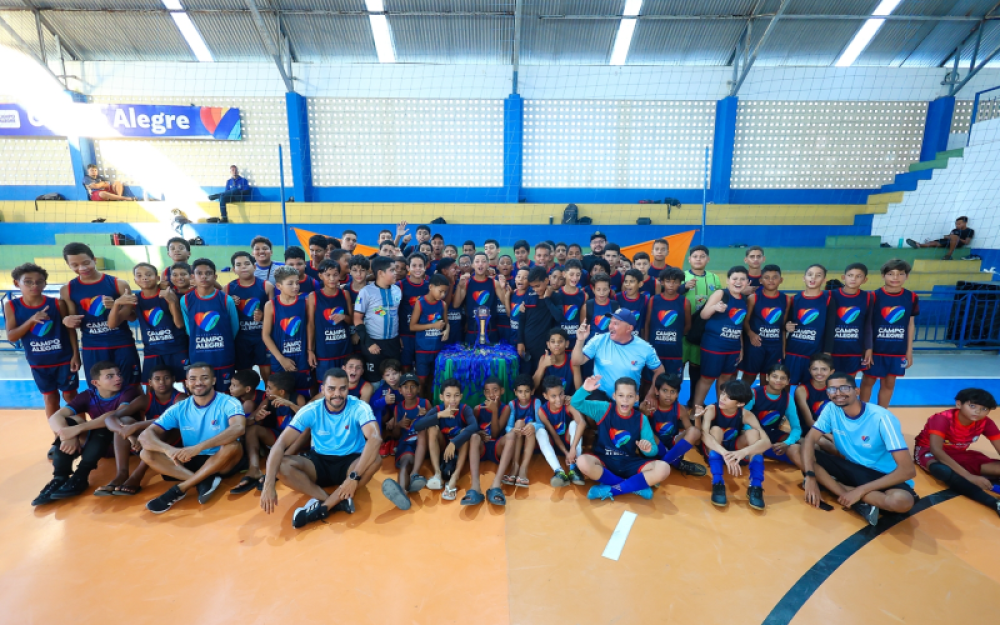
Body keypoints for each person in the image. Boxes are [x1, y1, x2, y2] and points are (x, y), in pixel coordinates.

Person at [261, 367, 403, 526]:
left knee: (375, 459)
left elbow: (375, 439)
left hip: (351, 463)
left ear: (348, 389)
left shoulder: (359, 407)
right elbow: (280, 444)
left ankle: (325, 506)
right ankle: (337, 501)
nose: (337, 394)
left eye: (342, 388)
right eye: (331, 388)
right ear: (322, 389)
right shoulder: (311, 409)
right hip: (319, 462)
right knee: (280, 465)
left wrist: (353, 477)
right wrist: (269, 484)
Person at [801, 372, 917, 525]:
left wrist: (860, 490)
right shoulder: (831, 409)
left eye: (843, 388)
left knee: (901, 502)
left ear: (856, 391)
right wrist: (810, 476)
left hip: (881, 475)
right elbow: (810, 439)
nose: (838, 393)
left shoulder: (882, 418)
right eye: (832, 390)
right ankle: (849, 497)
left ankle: (835, 486)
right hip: (851, 467)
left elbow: (908, 470)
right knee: (797, 450)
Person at [31, 362, 144, 505]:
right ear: (96, 383)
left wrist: (78, 429)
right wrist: (68, 437)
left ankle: (81, 476)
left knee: (105, 425)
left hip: (123, 444)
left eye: (119, 374)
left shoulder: (128, 392)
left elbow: (113, 416)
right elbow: (56, 417)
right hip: (98, 446)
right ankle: (59, 477)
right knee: (69, 422)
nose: (118, 378)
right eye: (110, 376)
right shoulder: (88, 395)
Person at [139, 364, 247, 513]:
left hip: (222, 459)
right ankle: (202, 480)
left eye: (204, 378)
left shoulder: (228, 402)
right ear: (187, 382)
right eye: (193, 379)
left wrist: (198, 447)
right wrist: (168, 450)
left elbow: (239, 428)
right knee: (146, 453)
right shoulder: (180, 407)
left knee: (233, 445)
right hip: (191, 459)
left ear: (214, 380)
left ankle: (180, 489)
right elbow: (145, 436)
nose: (198, 383)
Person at [571, 375, 670, 501]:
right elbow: (576, 403)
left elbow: (653, 451)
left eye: (630, 396)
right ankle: (634, 486)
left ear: (636, 398)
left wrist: (648, 449)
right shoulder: (604, 409)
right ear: (614, 396)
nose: (625, 400)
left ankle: (612, 489)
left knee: (664, 469)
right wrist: (585, 389)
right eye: (621, 395)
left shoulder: (641, 418)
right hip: (605, 461)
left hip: (629, 462)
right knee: (582, 461)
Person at [61, 242, 142, 387]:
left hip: (121, 344)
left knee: (131, 388)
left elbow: (132, 316)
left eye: (86, 263)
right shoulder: (68, 289)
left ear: (94, 259)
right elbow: (72, 325)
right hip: (92, 347)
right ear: (68, 265)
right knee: (98, 391)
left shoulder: (119, 284)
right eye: (75, 265)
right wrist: (66, 320)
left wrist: (116, 306)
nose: (82, 268)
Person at [6, 263, 80, 417]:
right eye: (28, 281)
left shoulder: (57, 304)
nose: (34, 285)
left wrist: (75, 354)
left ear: (45, 284)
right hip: (38, 362)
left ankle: (82, 434)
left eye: (39, 281)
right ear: (16, 283)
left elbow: (69, 329)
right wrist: (31, 320)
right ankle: (58, 435)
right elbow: (12, 336)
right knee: (50, 399)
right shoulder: (11, 306)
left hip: (63, 359)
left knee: (71, 397)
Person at [913, 388, 1000, 516]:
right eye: (972, 406)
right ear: (959, 404)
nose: (978, 411)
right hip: (928, 451)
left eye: (984, 409)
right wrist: (968, 476)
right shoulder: (942, 419)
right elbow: (936, 449)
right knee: (942, 470)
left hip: (959, 454)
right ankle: (994, 503)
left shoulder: (986, 423)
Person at [231, 371, 306, 495]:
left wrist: (291, 405)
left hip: (296, 440)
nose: (266, 390)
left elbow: (308, 418)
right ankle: (254, 468)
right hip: (279, 438)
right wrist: (256, 418)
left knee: (306, 431)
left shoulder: (297, 398)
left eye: (270, 388)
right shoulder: (267, 401)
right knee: (253, 429)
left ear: (281, 392)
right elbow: (246, 423)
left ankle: (280, 463)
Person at [701, 379, 770, 510]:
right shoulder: (712, 409)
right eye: (723, 394)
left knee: (754, 433)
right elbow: (704, 435)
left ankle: (755, 486)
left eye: (729, 397)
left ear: (740, 403)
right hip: (716, 452)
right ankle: (718, 483)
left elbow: (767, 442)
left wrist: (743, 452)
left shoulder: (746, 414)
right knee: (715, 430)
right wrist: (724, 453)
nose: (722, 398)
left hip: (736, 454)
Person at [861, 259, 918, 408]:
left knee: (889, 383)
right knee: (868, 381)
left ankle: (881, 415)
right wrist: (868, 349)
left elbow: (910, 324)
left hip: (896, 349)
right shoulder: (873, 296)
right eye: (891, 274)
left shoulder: (911, 297)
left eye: (900, 274)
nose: (895, 277)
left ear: (907, 276)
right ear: (883, 275)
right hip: (875, 349)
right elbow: (867, 325)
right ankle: (861, 414)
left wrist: (909, 351)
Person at [572, 309, 664, 403]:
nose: (610, 326)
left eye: (616, 323)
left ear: (629, 328)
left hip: (627, 401)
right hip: (602, 398)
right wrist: (580, 340)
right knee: (592, 407)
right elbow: (576, 361)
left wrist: (651, 393)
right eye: (610, 322)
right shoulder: (599, 340)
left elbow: (660, 370)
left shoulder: (645, 348)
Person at [691, 266, 749, 411]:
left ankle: (723, 411)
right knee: (707, 378)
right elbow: (704, 315)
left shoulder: (745, 300)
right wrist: (715, 308)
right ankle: (695, 411)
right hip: (714, 345)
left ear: (747, 282)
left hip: (733, 347)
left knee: (725, 380)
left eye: (742, 279)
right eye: (735, 278)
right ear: (728, 280)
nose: (738, 282)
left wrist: (740, 347)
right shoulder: (721, 294)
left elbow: (739, 325)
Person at [180, 259, 240, 393]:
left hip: (223, 356)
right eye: (199, 273)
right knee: (201, 394)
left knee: (225, 394)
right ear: (192, 277)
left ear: (215, 276)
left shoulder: (225, 299)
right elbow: (190, 330)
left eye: (208, 273)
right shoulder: (185, 300)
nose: (203, 276)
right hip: (199, 357)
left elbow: (234, 328)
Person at [638, 374, 706, 476]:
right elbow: (641, 430)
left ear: (678, 394)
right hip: (652, 446)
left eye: (672, 391)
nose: (668, 395)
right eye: (665, 391)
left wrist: (697, 418)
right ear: (657, 391)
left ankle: (665, 462)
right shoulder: (650, 406)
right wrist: (643, 414)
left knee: (694, 431)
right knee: (650, 434)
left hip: (672, 445)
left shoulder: (680, 408)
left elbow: (696, 440)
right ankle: (677, 463)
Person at [132, 262, 188, 384]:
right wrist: (117, 304)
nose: (144, 278)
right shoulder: (135, 299)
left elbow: (179, 324)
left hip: (176, 348)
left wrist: (172, 302)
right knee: (152, 388)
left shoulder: (168, 294)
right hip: (153, 351)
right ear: (135, 280)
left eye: (148, 274)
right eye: (139, 275)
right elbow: (125, 319)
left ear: (157, 278)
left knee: (188, 384)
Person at [262, 267, 313, 396]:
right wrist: (281, 359)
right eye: (290, 283)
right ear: (279, 285)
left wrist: (310, 351)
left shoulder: (305, 303)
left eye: (297, 282)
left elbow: (310, 327)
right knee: (281, 397)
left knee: (303, 396)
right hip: (280, 359)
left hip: (301, 358)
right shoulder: (271, 305)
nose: (295, 286)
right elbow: (265, 335)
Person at [225, 251, 274, 384]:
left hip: (262, 337)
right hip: (241, 339)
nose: (244, 267)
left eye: (247, 263)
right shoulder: (228, 289)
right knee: (244, 378)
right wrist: (230, 303)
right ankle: (247, 402)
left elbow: (275, 312)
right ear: (234, 270)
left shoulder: (266, 286)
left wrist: (264, 316)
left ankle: (269, 401)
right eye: (239, 265)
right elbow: (223, 315)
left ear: (255, 266)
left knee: (268, 375)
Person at [682, 245, 722, 404]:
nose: (698, 259)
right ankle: (672, 405)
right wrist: (683, 288)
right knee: (679, 367)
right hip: (684, 330)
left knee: (696, 369)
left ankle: (693, 402)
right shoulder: (682, 276)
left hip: (703, 331)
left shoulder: (714, 278)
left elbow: (719, 298)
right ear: (689, 259)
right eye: (695, 256)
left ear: (708, 259)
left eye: (702, 256)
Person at [354, 257, 402, 383]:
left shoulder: (397, 290)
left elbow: (398, 315)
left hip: (393, 343)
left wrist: (399, 338)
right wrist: (368, 342)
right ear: (380, 273)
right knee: (374, 382)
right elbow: (357, 319)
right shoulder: (366, 292)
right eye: (392, 270)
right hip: (373, 344)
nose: (396, 272)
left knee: (393, 380)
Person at [745, 364, 803, 467]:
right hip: (752, 432)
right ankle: (766, 450)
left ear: (788, 381)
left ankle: (771, 450)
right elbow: (742, 418)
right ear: (767, 377)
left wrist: (787, 443)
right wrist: (759, 437)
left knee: (805, 443)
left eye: (783, 378)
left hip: (771, 433)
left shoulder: (788, 399)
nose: (778, 380)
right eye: (774, 376)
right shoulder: (754, 393)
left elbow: (796, 428)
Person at [740, 264, 789, 385]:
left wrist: (783, 348)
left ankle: (762, 403)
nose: (771, 280)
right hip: (756, 345)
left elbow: (783, 326)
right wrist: (751, 334)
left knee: (768, 380)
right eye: (767, 277)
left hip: (774, 347)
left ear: (781, 280)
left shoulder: (786, 299)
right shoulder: (753, 298)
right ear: (761, 280)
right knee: (748, 378)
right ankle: (739, 401)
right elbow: (745, 321)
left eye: (775, 277)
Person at [534, 376, 587, 487]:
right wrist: (566, 453)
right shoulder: (542, 411)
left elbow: (582, 423)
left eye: (561, 394)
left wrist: (572, 450)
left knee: (574, 424)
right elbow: (554, 434)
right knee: (540, 432)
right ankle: (559, 471)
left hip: (571, 442)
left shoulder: (567, 404)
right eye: (553, 396)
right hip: (556, 445)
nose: (559, 399)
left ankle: (574, 468)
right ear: (545, 396)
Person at [308, 258, 354, 384]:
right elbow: (311, 325)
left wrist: (344, 317)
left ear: (340, 275)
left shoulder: (345, 294)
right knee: (325, 387)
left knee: (346, 385)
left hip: (344, 350)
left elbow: (352, 320)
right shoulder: (314, 297)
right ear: (320, 276)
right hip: (324, 352)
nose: (332, 278)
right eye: (328, 275)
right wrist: (310, 351)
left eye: (335, 275)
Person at [784, 264, 831, 386]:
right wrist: (786, 326)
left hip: (814, 355)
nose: (813, 278)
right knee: (787, 387)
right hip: (793, 352)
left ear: (824, 280)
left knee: (811, 388)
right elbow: (785, 322)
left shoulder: (829, 299)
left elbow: (831, 327)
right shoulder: (794, 299)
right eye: (810, 274)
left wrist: (827, 352)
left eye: (818, 275)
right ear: (803, 278)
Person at [824, 263, 873, 377]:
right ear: (843, 277)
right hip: (832, 349)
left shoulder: (868, 297)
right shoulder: (829, 295)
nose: (853, 279)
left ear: (865, 280)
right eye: (850, 275)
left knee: (849, 383)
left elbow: (868, 325)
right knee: (828, 382)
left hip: (854, 350)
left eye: (858, 276)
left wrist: (869, 348)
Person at [453, 252, 507, 344]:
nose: (480, 264)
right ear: (473, 265)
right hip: (472, 331)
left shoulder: (494, 283)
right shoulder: (466, 283)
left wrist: (503, 288)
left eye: (483, 261)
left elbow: (506, 303)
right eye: (477, 261)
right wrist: (459, 286)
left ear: (487, 264)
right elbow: (456, 305)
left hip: (491, 330)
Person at [410, 274, 451, 393]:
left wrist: (447, 330)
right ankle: (422, 406)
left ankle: (432, 404)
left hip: (438, 349)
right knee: (421, 381)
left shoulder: (443, 304)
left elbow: (446, 323)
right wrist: (433, 325)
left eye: (445, 292)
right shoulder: (420, 303)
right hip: (423, 349)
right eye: (441, 291)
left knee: (435, 379)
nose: (443, 295)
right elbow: (412, 326)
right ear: (431, 287)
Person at [397, 253, 429, 370]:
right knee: (406, 367)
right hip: (405, 334)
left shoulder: (429, 286)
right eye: (414, 265)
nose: (417, 268)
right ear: (408, 268)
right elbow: (393, 312)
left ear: (425, 267)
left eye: (420, 265)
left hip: (423, 334)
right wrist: (397, 335)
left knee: (423, 368)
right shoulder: (400, 285)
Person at [532, 327, 581, 395]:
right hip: (549, 401)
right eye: (553, 341)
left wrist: (571, 399)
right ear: (548, 344)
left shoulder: (572, 359)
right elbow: (532, 388)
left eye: (560, 341)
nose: (556, 344)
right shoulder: (544, 358)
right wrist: (542, 366)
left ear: (567, 343)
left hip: (567, 400)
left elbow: (579, 390)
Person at [907, 216, 975, 260]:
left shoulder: (970, 231)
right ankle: (919, 245)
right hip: (949, 242)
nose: (957, 225)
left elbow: (967, 242)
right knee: (935, 242)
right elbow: (949, 236)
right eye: (956, 224)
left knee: (954, 237)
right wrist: (948, 236)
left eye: (959, 224)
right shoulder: (954, 230)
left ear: (965, 223)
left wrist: (957, 238)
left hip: (958, 243)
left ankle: (949, 255)